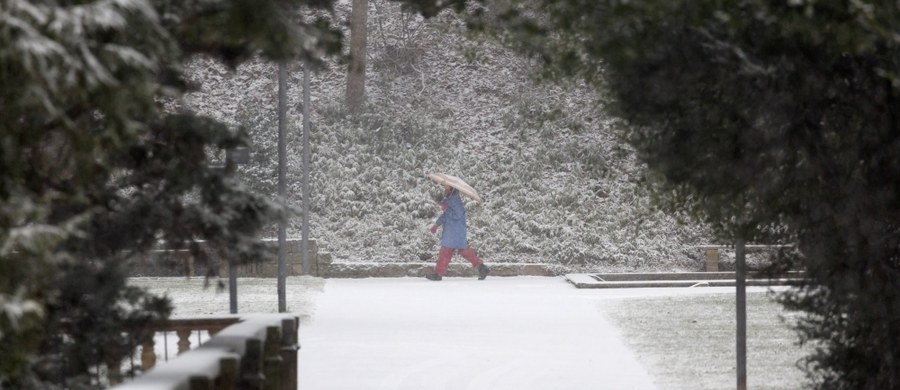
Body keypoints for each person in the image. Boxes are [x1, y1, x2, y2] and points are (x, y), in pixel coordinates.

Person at [426, 183, 490, 281]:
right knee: (463, 252)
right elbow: (445, 215)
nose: (445, 188)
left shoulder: (455, 201)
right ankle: (482, 267)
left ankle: (438, 274)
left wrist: (446, 208)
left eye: (446, 187)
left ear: (451, 189)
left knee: (445, 252)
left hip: (454, 232)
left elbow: (456, 215)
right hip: (454, 232)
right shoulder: (450, 200)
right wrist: (436, 224)